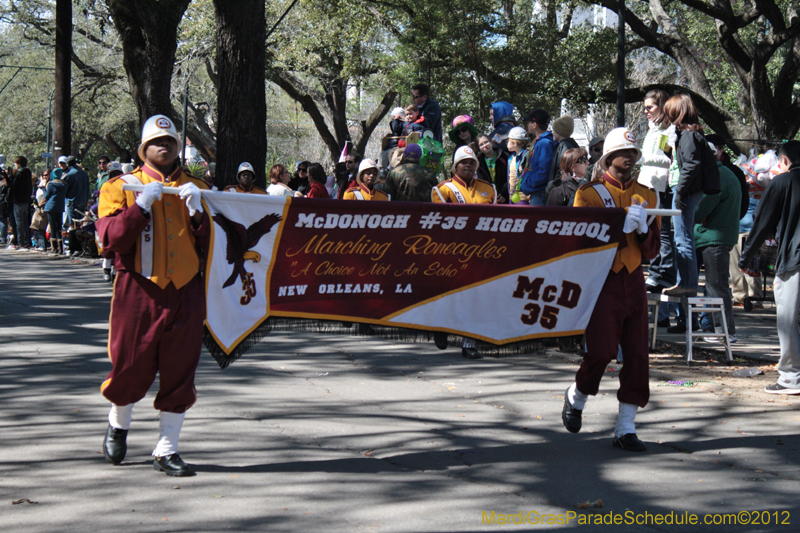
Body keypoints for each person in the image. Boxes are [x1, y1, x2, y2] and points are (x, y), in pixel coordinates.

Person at [96, 114, 210, 477]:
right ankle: (118, 423)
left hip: (187, 289)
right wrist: (139, 206)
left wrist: (199, 215)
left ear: (179, 147)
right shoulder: (121, 187)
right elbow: (110, 240)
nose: (164, 147)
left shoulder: (198, 186)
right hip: (139, 287)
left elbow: (219, 247)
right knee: (130, 363)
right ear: (144, 149)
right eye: (155, 142)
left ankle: (167, 448)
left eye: (170, 141)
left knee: (181, 368)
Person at [562, 127, 660, 451]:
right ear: (608, 157)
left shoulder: (648, 195)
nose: (629, 157)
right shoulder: (588, 194)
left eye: (633, 152)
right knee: (602, 351)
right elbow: (580, 243)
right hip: (602, 280)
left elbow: (652, 251)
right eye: (623, 152)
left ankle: (626, 427)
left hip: (634, 279)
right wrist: (619, 227)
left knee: (636, 355)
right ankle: (576, 396)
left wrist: (644, 229)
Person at [739, 141, 800, 394]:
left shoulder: (782, 183)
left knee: (788, 320)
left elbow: (761, 223)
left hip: (793, 260)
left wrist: (745, 258)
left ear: (784, 161)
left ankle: (790, 378)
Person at [431, 145, 495, 358]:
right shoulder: (442, 190)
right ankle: (441, 328)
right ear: (454, 167)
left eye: (471, 163)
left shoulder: (489, 189)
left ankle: (469, 344)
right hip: (451, 252)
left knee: (474, 297)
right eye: (463, 163)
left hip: (480, 253)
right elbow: (439, 223)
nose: (468, 165)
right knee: (449, 295)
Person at [661, 94, 720, 298]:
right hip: (683, 188)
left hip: (685, 189)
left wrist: (680, 192)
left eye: (669, 112)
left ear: (678, 112)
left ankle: (686, 283)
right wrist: (664, 134)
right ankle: (685, 283)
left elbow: (692, 165)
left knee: (682, 238)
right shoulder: (682, 135)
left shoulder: (689, 136)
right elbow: (664, 153)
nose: (665, 116)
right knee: (681, 237)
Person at [693, 141, 741, 342]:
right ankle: (719, 328)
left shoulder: (718, 176)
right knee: (717, 285)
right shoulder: (725, 174)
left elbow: (703, 208)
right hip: (718, 236)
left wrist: (694, 214)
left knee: (716, 286)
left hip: (714, 237)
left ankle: (724, 330)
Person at [638, 89, 677, 295]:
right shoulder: (652, 129)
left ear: (661, 106)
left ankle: (662, 274)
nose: (646, 111)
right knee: (652, 229)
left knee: (662, 231)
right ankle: (655, 272)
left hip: (660, 187)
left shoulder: (667, 131)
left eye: (650, 107)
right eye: (645, 108)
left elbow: (668, 160)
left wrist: (642, 159)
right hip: (647, 186)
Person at [520, 109, 556, 206]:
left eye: (529, 122)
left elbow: (544, 171)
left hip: (540, 193)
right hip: (536, 191)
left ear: (535, 125)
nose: (527, 125)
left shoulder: (544, 143)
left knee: (535, 220)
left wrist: (528, 183)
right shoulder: (539, 141)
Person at [546, 115, 579, 187]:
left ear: (560, 131)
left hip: (561, 188)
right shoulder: (568, 144)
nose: (552, 132)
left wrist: (552, 185)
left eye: (554, 130)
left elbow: (562, 170)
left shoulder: (564, 146)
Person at [476, 134, 509, 203]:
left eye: (486, 142)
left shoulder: (504, 156)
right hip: (488, 198)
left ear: (491, 142)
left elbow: (510, 176)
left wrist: (504, 194)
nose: (485, 145)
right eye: (481, 144)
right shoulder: (478, 163)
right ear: (479, 148)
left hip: (505, 196)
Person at [43, 166, 68, 255]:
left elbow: (46, 196)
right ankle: (60, 247)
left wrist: (43, 188)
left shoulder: (51, 184)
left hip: (50, 207)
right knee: (59, 227)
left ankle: (54, 248)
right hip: (60, 207)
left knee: (52, 226)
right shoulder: (64, 184)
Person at [9, 156, 33, 249]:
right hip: (26, 200)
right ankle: (26, 240)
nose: (15, 165)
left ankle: (20, 241)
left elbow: (13, 185)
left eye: (15, 163)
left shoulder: (20, 173)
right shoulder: (28, 172)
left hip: (18, 200)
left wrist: (9, 177)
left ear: (19, 164)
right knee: (25, 221)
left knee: (19, 221)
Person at [506, 127, 531, 205]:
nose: (506, 143)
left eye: (508, 141)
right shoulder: (511, 157)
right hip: (512, 196)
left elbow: (530, 175)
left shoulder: (526, 156)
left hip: (523, 197)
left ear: (515, 143)